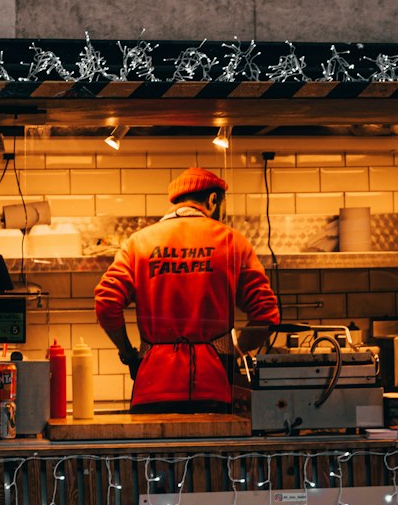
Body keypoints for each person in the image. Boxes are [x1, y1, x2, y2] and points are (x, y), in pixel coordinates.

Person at [94, 167, 279, 413]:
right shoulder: (232, 241)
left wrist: (128, 353)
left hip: (152, 386)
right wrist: (234, 352)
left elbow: (106, 303)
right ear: (213, 199)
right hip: (214, 385)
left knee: (159, 454)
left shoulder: (139, 242)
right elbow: (266, 314)